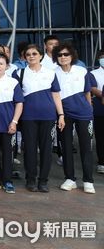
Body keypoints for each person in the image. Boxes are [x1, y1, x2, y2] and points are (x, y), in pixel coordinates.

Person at [12, 44, 64, 193]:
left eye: (34, 53)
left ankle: (43, 181)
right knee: (29, 150)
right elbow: (16, 98)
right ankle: (31, 180)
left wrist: (61, 115)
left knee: (47, 150)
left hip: (48, 116)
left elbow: (56, 95)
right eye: (28, 54)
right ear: (24, 57)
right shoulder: (19, 73)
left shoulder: (50, 73)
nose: (31, 56)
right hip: (28, 117)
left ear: (41, 55)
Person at [53, 43, 97, 194]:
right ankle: (70, 178)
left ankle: (88, 180)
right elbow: (55, 95)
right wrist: (60, 115)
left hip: (84, 114)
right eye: (60, 55)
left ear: (72, 55)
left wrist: (89, 108)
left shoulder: (82, 70)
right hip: (64, 115)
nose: (63, 57)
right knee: (65, 147)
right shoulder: (53, 73)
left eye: (66, 54)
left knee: (86, 147)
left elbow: (87, 92)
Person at [0, 53, 24, 194]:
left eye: (1, 63)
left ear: (7, 66)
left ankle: (7, 181)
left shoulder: (13, 82)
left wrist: (14, 122)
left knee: (8, 154)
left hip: (8, 125)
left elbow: (19, 103)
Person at [91, 49, 104, 174]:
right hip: (100, 106)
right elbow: (93, 88)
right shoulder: (93, 73)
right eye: (102, 57)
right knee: (101, 136)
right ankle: (102, 162)